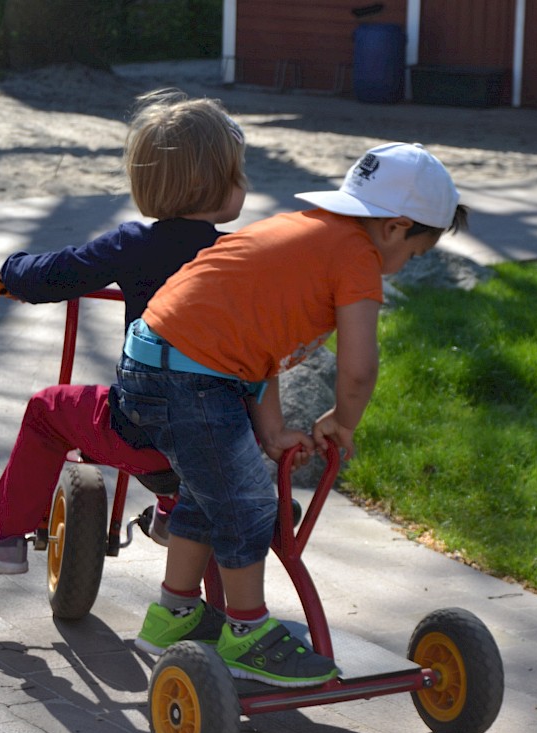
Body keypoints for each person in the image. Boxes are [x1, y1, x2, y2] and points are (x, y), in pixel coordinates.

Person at [115, 142, 468, 687]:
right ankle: (247, 634)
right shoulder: (357, 257)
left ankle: (173, 616)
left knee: (210, 496)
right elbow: (357, 368)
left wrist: (273, 429)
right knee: (250, 502)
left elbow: (261, 346)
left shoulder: (304, 232)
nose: (403, 266)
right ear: (397, 227)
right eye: (415, 254)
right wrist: (343, 420)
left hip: (159, 362)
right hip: (189, 377)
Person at [0, 88, 250, 574]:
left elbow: (56, 275)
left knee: (48, 411)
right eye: (240, 175)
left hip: (139, 433)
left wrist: (13, 271)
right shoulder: (242, 256)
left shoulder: (133, 246)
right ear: (218, 185)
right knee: (205, 404)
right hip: (221, 442)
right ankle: (174, 512)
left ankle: (4, 538)